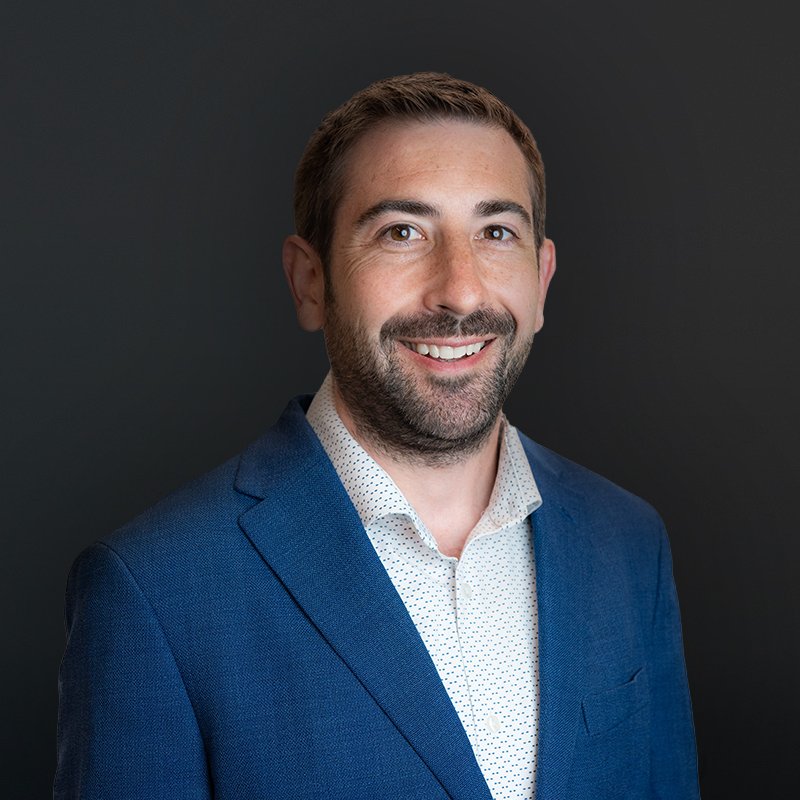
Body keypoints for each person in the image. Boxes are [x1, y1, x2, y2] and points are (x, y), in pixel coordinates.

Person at [55, 72, 699, 800]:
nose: (459, 289)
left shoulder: (627, 543)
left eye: (496, 232)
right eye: (401, 232)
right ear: (310, 282)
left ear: (542, 280)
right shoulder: (152, 592)